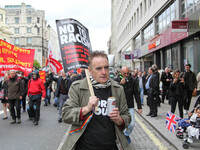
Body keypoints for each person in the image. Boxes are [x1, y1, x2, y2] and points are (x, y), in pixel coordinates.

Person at [61, 51, 131, 150]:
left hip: (110, 146)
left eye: (106, 67)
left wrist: (119, 120)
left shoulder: (118, 89)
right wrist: (86, 109)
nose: (104, 72)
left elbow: (127, 116)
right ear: (90, 70)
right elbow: (65, 114)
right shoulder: (78, 87)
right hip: (84, 147)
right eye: (99, 68)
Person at [115, 66, 142, 144]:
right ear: (121, 72)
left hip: (129, 105)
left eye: (127, 73)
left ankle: (126, 134)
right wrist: (120, 84)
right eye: (124, 73)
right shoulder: (116, 79)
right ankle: (119, 137)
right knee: (118, 123)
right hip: (119, 106)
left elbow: (137, 94)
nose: (126, 75)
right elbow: (114, 91)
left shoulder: (133, 80)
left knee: (132, 124)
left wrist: (139, 107)